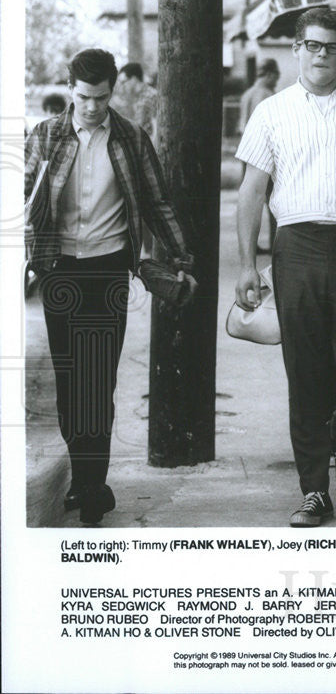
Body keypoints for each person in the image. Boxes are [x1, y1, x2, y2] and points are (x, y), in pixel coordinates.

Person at [234, 8, 336, 527]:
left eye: (334, 47)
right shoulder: (272, 112)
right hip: (296, 245)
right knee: (307, 373)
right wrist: (247, 266)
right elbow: (252, 190)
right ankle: (314, 491)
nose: (324, 55)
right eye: (315, 46)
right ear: (297, 49)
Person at [24, 48, 196, 525]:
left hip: (107, 270)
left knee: (98, 380)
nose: (92, 107)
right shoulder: (44, 136)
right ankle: (83, 477)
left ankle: (93, 486)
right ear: (71, 90)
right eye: (83, 97)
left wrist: (180, 256)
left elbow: (157, 202)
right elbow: (22, 199)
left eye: (101, 98)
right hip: (58, 270)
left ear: (112, 91)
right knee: (68, 383)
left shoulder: (129, 137)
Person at [239, 58, 281, 253]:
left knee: (251, 199)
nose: (276, 80)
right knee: (273, 199)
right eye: (276, 76)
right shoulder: (265, 95)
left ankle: (250, 243)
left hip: (247, 153)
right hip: (266, 154)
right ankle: (275, 242)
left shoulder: (247, 93)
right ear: (270, 74)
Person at [110, 62, 157, 138]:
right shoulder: (137, 98)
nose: (122, 86)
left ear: (134, 79)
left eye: (123, 82)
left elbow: (156, 130)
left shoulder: (151, 96)